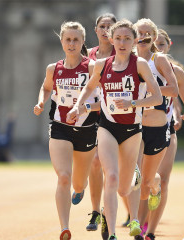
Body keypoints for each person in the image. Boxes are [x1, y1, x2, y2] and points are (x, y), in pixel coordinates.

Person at [67, 19, 162, 240]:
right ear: (111, 39)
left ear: (135, 41)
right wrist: (78, 106)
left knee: (123, 189)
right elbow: (89, 86)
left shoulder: (140, 65)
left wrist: (133, 104)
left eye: (127, 39)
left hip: (131, 130)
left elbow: (157, 96)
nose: (122, 43)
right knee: (110, 176)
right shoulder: (102, 65)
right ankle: (110, 232)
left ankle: (142, 179)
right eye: (118, 38)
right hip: (107, 127)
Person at [33, 21, 101, 240]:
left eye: (76, 40)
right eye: (67, 39)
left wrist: (83, 107)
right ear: (61, 41)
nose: (71, 43)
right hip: (60, 127)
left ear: (82, 42)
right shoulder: (54, 68)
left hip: (87, 128)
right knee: (63, 176)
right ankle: (64, 227)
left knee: (78, 182)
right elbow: (45, 87)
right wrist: (41, 102)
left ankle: (81, 188)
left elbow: (103, 100)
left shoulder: (91, 67)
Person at [134, 29, 184, 240]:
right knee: (143, 178)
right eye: (155, 44)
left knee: (164, 179)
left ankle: (149, 231)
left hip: (166, 128)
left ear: (169, 45)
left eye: (162, 45)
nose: (158, 48)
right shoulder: (137, 66)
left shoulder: (176, 72)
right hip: (140, 128)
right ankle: (139, 224)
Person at [85, 13, 117, 234]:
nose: (106, 29)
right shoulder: (88, 56)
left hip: (115, 116)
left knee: (112, 169)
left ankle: (110, 212)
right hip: (91, 115)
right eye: (102, 26)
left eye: (110, 26)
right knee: (95, 163)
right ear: (95, 30)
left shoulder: (123, 54)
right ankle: (96, 211)